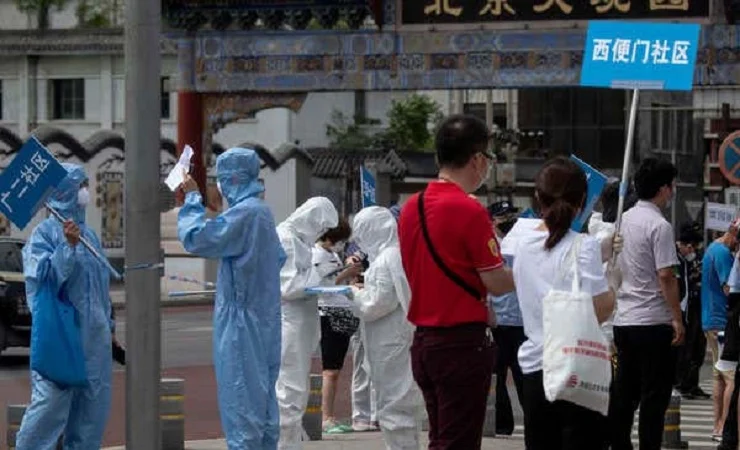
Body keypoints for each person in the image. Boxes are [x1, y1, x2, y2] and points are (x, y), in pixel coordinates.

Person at [399, 114, 515, 449]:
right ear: (477, 160)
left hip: (424, 341)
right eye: (488, 158)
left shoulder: (411, 207)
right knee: (458, 442)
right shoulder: (470, 210)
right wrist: (533, 270)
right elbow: (496, 282)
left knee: (440, 439)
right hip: (461, 343)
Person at [502, 157, 616, 449]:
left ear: (538, 198)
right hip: (576, 368)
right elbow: (599, 310)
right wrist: (614, 283)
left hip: (534, 369)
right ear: (582, 201)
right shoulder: (584, 246)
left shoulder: (520, 245)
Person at [178, 148, 284, 450]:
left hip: (241, 324)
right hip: (265, 319)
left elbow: (197, 237)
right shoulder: (262, 212)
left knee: (242, 407)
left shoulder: (246, 213)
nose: (219, 186)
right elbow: (277, 257)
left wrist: (192, 198)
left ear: (232, 180)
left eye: (221, 179)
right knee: (264, 408)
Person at [16, 164, 115, 449]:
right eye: (80, 185)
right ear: (64, 191)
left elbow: (100, 288)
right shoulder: (44, 234)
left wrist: (109, 326)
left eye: (85, 184)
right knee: (49, 407)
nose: (85, 191)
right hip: (61, 335)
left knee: (91, 413)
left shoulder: (90, 236)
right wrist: (67, 248)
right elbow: (44, 279)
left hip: (95, 339)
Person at [609, 158, 684, 450]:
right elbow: (666, 275)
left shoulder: (623, 220)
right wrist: (676, 317)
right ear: (663, 189)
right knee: (654, 397)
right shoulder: (659, 226)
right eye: (672, 186)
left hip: (624, 319)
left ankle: (619, 444)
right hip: (653, 321)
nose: (673, 191)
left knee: (624, 392)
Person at [351, 206, 421, 449]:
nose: (361, 241)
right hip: (399, 335)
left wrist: (352, 294)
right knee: (402, 402)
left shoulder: (385, 259)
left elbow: (376, 304)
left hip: (389, 340)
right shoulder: (398, 253)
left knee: (393, 403)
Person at [276, 196, 339, 450]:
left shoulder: (300, 240)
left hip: (302, 320)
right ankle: (285, 443)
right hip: (290, 321)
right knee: (289, 389)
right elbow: (290, 287)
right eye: (320, 226)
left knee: (297, 388)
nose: (321, 232)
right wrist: (319, 272)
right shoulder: (286, 238)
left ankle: (290, 442)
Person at [312, 218, 363, 433]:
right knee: (330, 369)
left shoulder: (330, 254)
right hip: (329, 313)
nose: (341, 244)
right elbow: (320, 285)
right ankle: (326, 418)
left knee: (336, 368)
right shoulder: (317, 255)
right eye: (339, 240)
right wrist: (346, 274)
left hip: (341, 310)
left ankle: (329, 416)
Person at [486, 200, 526, 436]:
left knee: (525, 376)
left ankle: (534, 421)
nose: (509, 221)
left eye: (512, 216)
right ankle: (502, 425)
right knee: (497, 376)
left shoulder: (523, 244)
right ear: (492, 221)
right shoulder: (490, 247)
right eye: (503, 217)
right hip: (498, 323)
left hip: (521, 322)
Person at [702, 221, 738, 440]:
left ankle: (718, 426)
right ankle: (724, 426)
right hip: (721, 320)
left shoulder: (713, 248)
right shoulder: (723, 253)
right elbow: (729, 288)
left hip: (711, 319)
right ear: (733, 234)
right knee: (731, 377)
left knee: (719, 375)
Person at [674, 224, 709, 399]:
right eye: (692, 247)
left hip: (692, 308)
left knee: (696, 349)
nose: (693, 251)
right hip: (680, 310)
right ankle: (680, 384)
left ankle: (691, 384)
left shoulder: (689, 260)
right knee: (683, 350)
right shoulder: (674, 259)